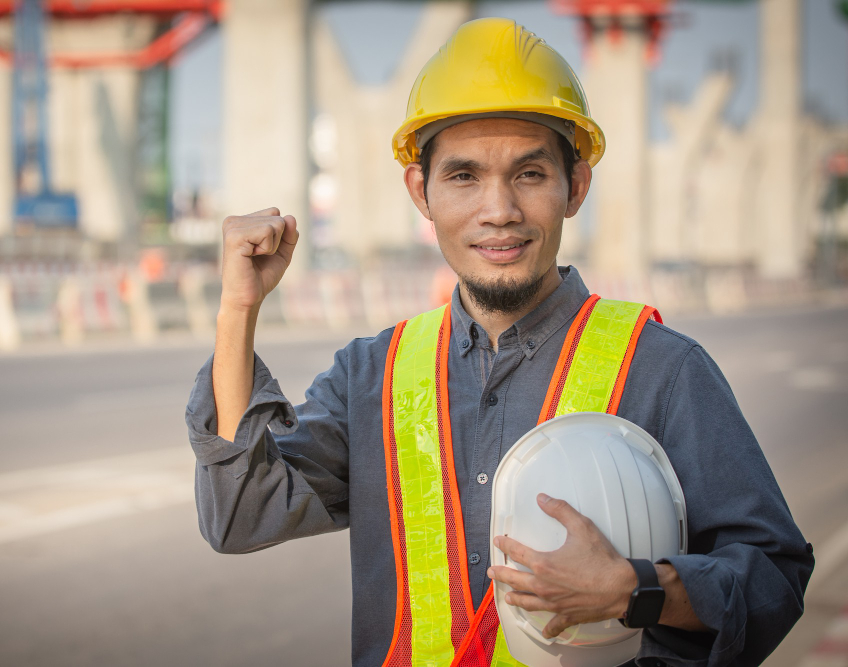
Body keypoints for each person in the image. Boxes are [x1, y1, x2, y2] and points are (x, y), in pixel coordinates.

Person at [186, 17, 813, 667]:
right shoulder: (369, 375)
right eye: (463, 177)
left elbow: (773, 580)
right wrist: (238, 309)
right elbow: (240, 514)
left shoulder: (663, 369)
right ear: (419, 192)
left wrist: (637, 589)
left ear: (575, 186)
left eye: (529, 174)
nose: (499, 210)